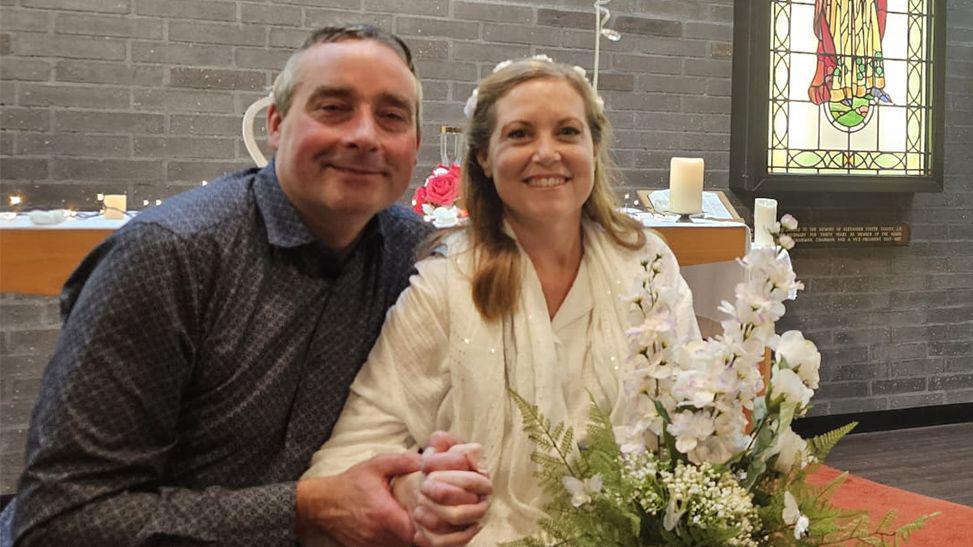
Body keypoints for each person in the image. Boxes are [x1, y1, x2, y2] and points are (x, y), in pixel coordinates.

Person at [0, 24, 467, 547]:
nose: (364, 135)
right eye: (333, 108)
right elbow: (56, 521)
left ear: (415, 144)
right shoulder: (169, 256)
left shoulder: (413, 255)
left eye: (391, 116)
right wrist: (303, 509)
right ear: (276, 123)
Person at [302, 57, 700, 545]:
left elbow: (695, 415)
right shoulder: (447, 284)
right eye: (519, 134)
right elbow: (353, 450)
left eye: (568, 132)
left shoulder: (648, 264)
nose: (547, 153)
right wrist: (416, 490)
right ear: (484, 159)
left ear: (594, 147)